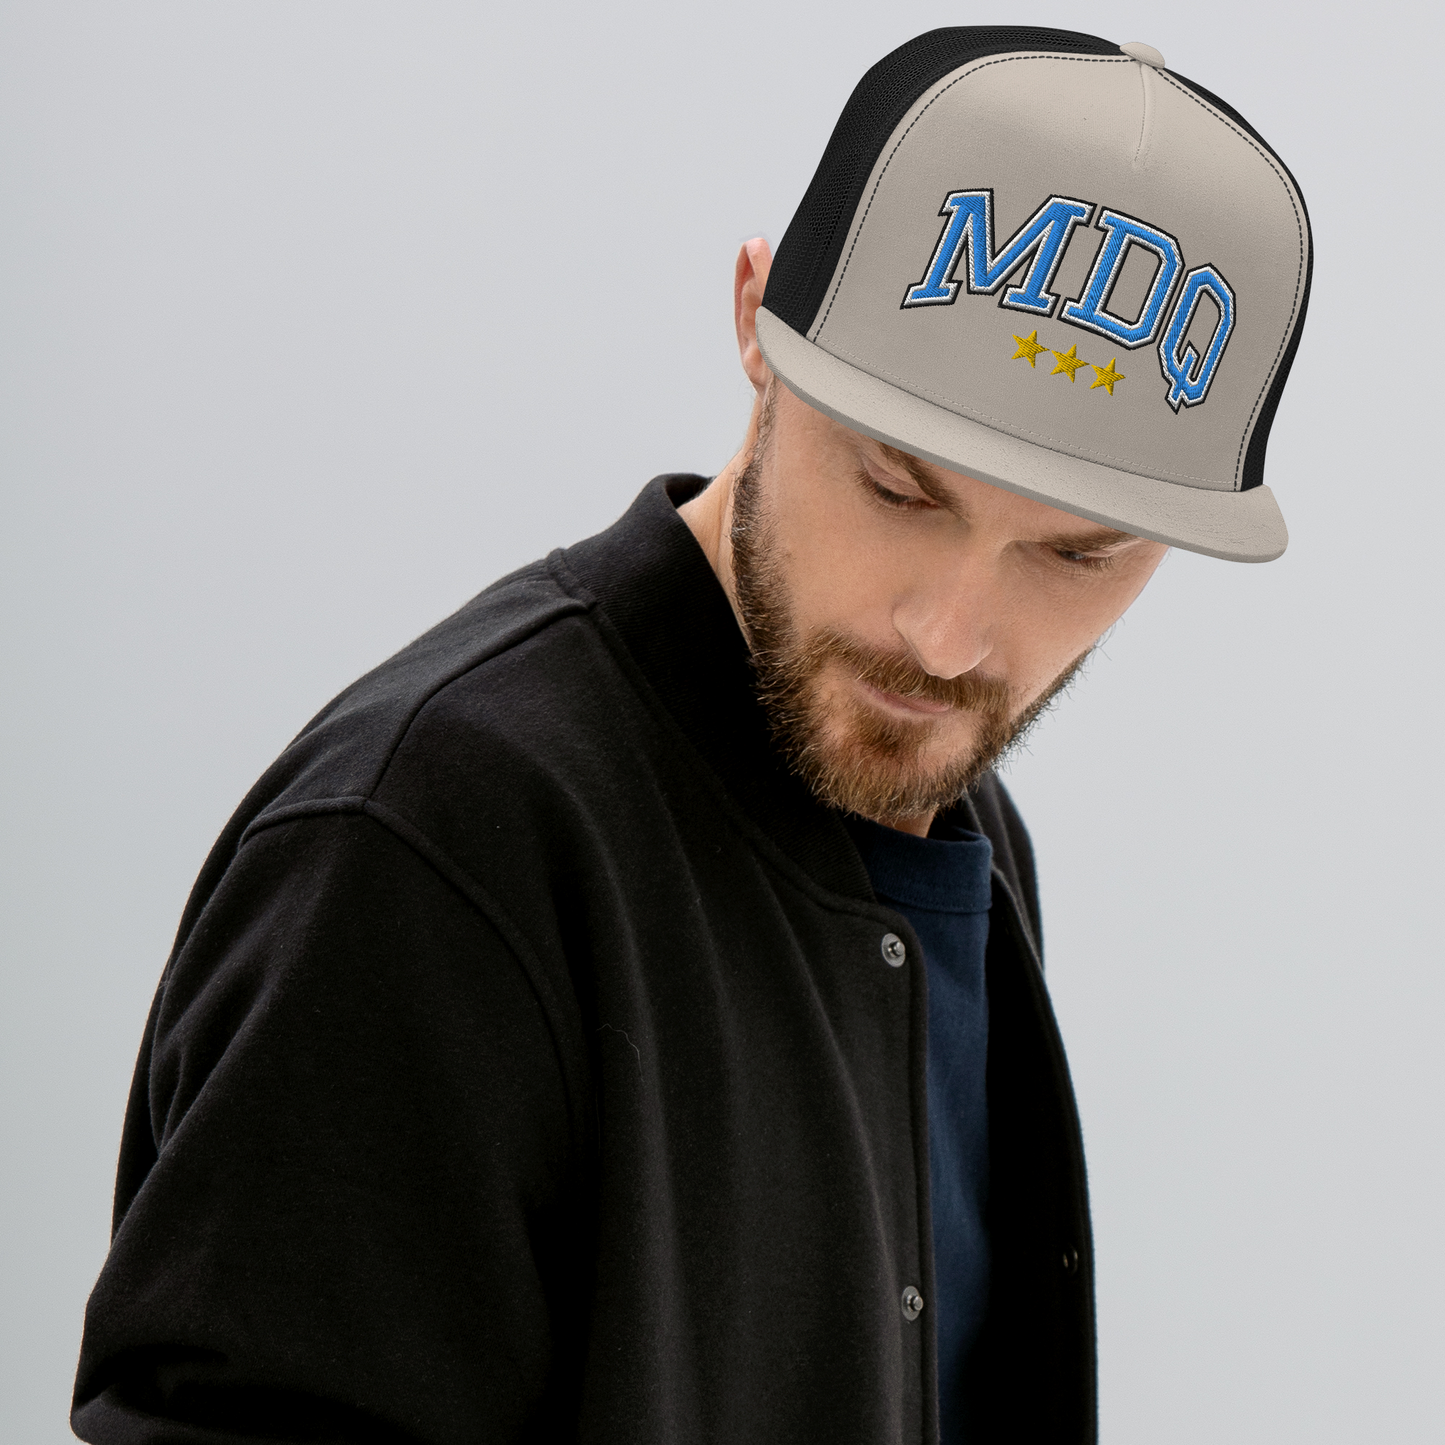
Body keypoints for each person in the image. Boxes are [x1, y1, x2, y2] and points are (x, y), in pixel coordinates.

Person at [72, 25, 1312, 1445]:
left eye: (1079, 556)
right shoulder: (429, 848)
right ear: (756, 325)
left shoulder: (956, 817)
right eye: (900, 487)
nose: (951, 639)